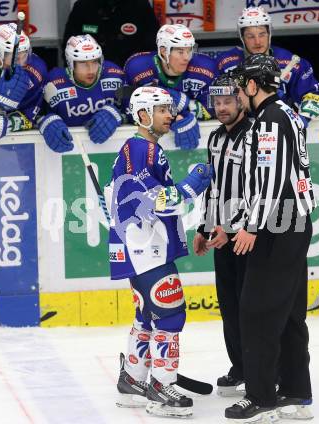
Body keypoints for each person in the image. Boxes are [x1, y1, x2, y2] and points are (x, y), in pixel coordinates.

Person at [107, 86, 213, 417]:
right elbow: (158, 201)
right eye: (163, 109)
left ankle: (133, 380)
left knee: (146, 315)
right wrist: (193, 184)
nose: (172, 115)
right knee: (170, 313)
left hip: (141, 246)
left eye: (170, 108)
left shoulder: (142, 149)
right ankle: (160, 387)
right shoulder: (142, 151)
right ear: (142, 115)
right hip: (145, 248)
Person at [223, 54, 315, 423]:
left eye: (241, 85)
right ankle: (296, 390)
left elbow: (273, 179)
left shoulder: (270, 120)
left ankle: (261, 396)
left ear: (252, 85)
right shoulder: (287, 112)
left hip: (278, 224)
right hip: (292, 222)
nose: (238, 93)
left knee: (256, 310)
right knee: (289, 312)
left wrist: (252, 225)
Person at [193, 74, 251, 397]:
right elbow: (212, 189)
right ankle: (240, 367)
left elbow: (256, 190)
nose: (222, 107)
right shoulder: (215, 139)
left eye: (228, 101)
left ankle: (260, 369)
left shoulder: (254, 136)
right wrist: (204, 227)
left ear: (240, 100)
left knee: (250, 307)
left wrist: (233, 229)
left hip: (246, 237)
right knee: (229, 306)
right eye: (217, 102)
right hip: (220, 237)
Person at [216, 6, 319, 125]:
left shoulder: (288, 62)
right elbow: (212, 99)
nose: (258, 42)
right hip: (240, 132)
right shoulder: (227, 63)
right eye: (250, 36)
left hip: (280, 128)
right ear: (242, 38)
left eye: (262, 34)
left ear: (269, 34)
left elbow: (318, 95)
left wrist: (301, 119)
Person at [124, 24, 217, 150]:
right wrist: (175, 116)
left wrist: (182, 110)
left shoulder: (205, 67)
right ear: (163, 51)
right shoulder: (137, 68)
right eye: (180, 51)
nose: (186, 57)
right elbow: (126, 107)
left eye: (189, 50)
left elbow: (215, 107)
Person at [39, 34, 125, 153]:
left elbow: (137, 110)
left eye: (95, 62)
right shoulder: (53, 83)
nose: (91, 70)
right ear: (70, 63)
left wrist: (118, 115)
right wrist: (46, 122)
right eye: (83, 64)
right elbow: (36, 113)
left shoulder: (115, 75)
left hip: (113, 150)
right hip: (68, 155)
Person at [0, 23, 47, 141]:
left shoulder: (37, 69)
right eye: (14, 57)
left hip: (19, 143)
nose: (20, 63)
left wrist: (9, 123)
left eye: (24, 55)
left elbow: (31, 115)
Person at [62, 0, 160, 67]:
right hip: (92, 75)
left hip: (130, 74)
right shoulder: (83, 6)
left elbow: (153, 46)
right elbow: (68, 47)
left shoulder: (140, 6)